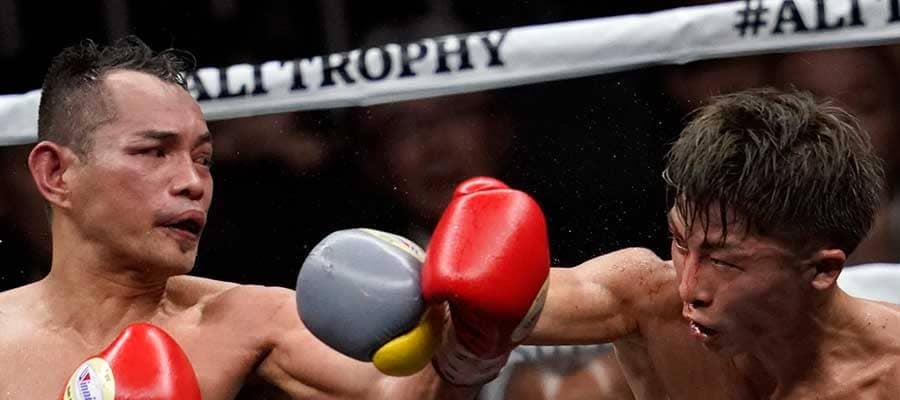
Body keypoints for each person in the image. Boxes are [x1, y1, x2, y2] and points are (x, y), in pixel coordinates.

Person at [0, 37, 542, 399]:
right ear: (55, 174)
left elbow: (400, 394)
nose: (192, 182)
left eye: (203, 159)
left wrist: (472, 348)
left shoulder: (247, 320)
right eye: (153, 151)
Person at [529, 88, 900, 399]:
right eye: (679, 242)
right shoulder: (651, 301)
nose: (688, 289)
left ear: (821, 269)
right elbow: (511, 302)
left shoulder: (889, 377)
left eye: (723, 262)